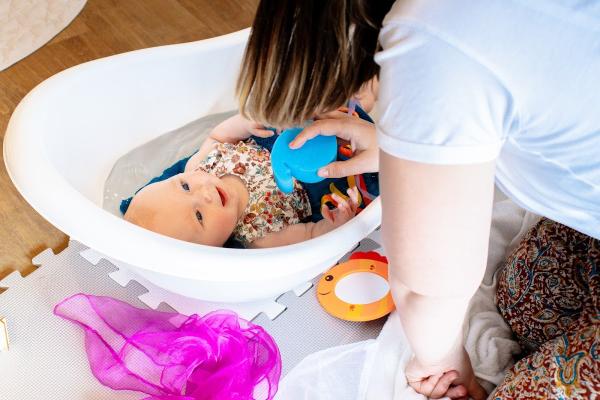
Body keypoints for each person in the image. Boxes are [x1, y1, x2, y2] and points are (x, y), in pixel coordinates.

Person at [236, 0, 600, 398]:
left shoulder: (431, 38)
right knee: (522, 299)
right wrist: (402, 145)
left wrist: (441, 361)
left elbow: (429, 284)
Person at [123, 113, 361, 248]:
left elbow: (220, 135)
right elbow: (311, 234)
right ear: (213, 247)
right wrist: (336, 224)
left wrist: (247, 121)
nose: (204, 193)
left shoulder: (200, 166)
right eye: (199, 215)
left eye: (185, 186)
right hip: (311, 171)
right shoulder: (259, 235)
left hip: (282, 137)